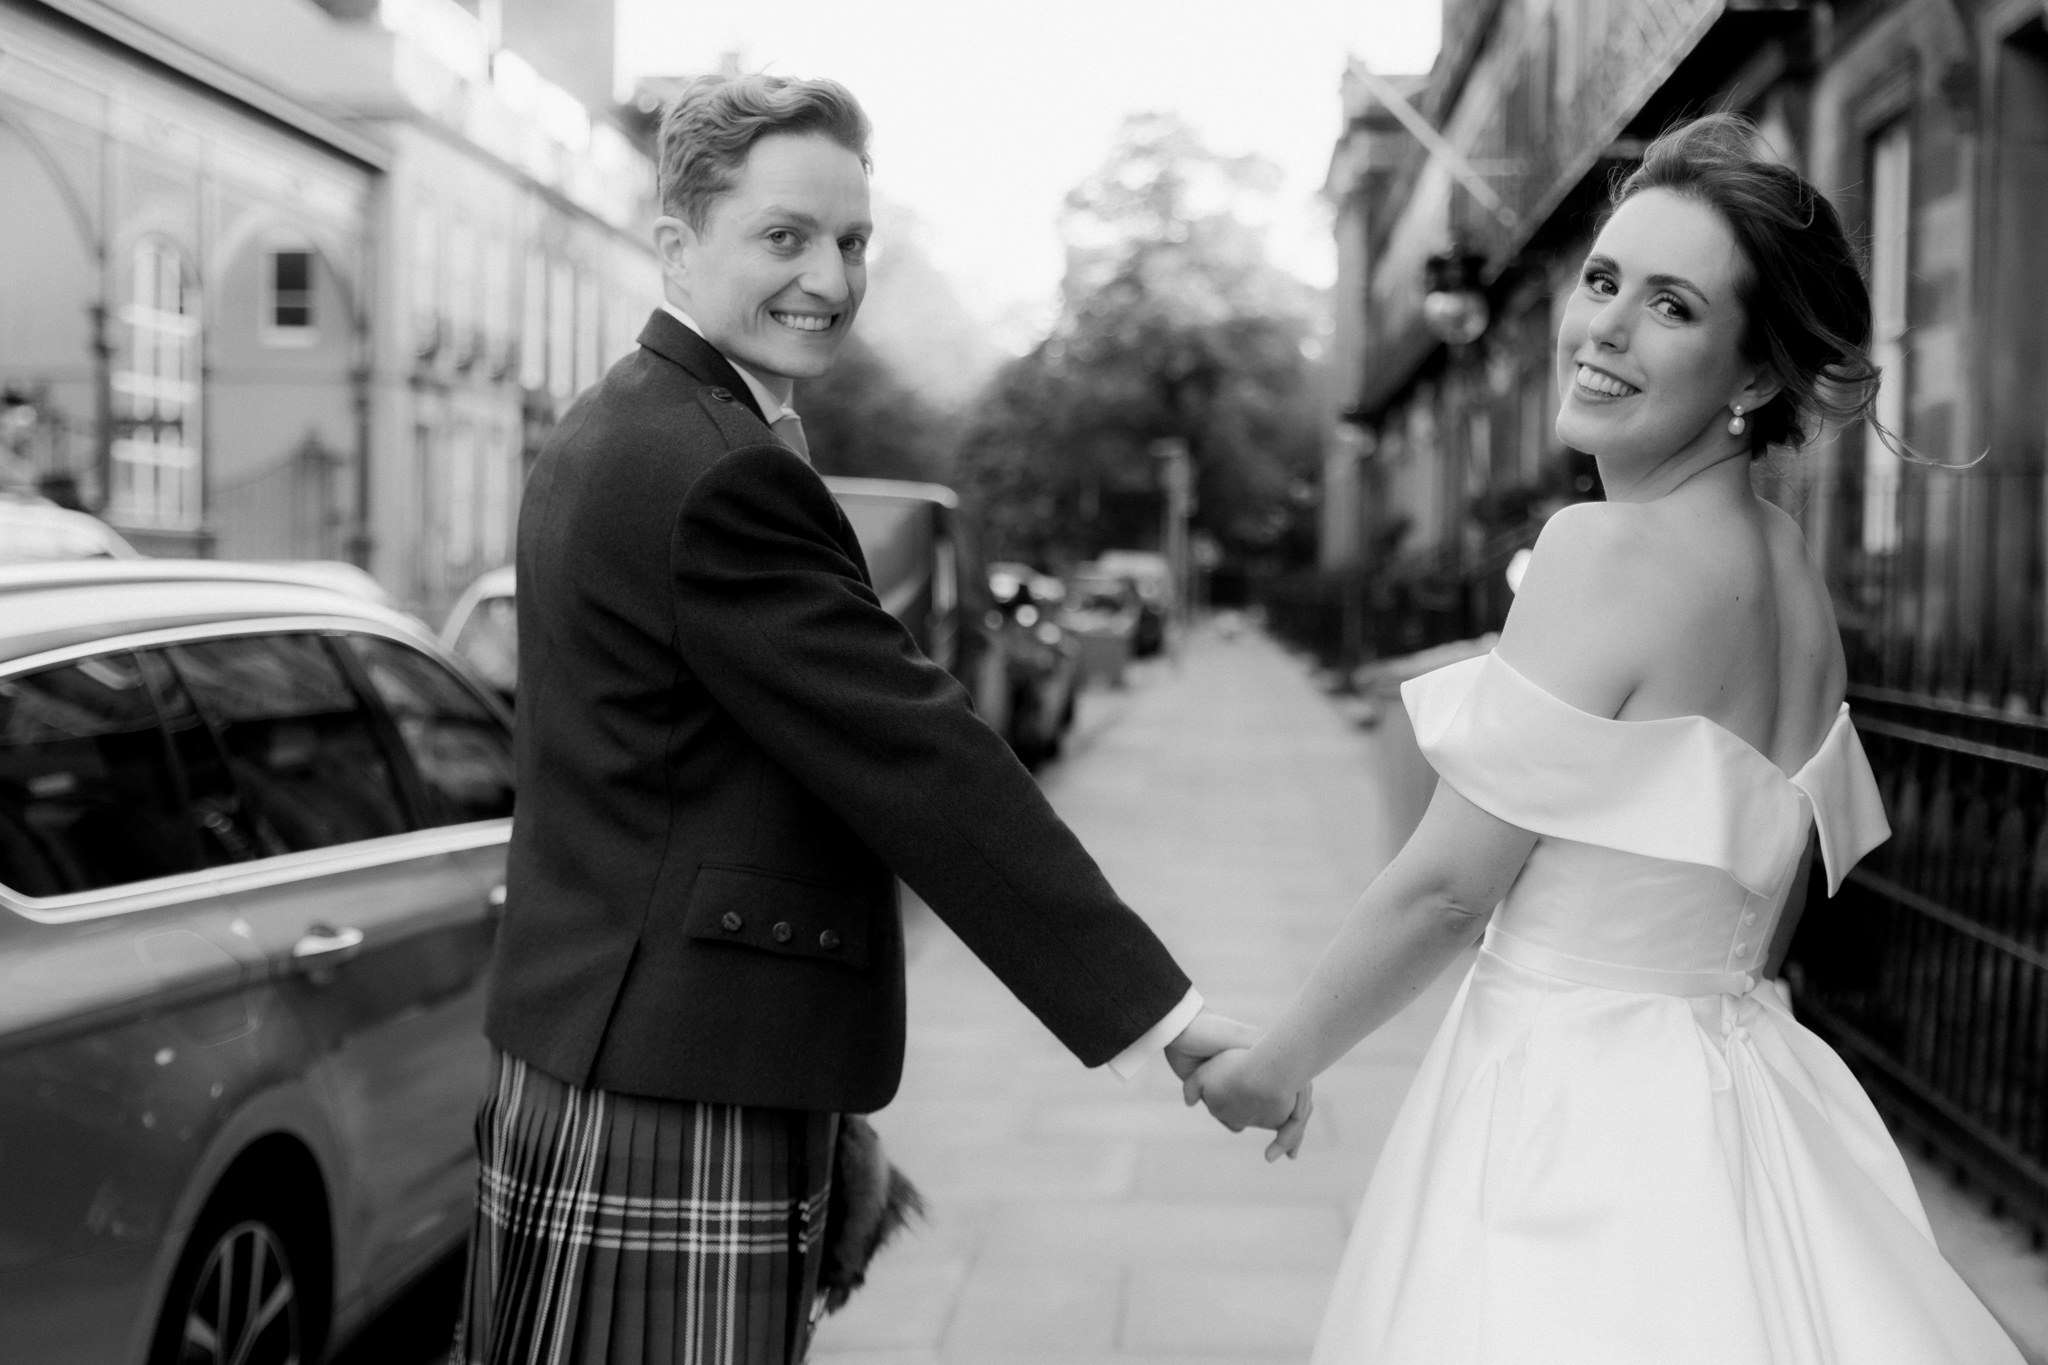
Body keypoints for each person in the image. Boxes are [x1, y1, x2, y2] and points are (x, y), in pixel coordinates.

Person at [455, 72, 1302, 1365]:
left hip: (609, 1040)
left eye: (852, 242)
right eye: (784, 237)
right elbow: (919, 753)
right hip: (679, 1067)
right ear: (677, 242)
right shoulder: (718, 464)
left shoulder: (619, 424)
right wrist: (1171, 1021)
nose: (831, 278)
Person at [1186, 113, 2026, 1364]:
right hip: (1747, 1094)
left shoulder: (1604, 551)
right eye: (1601, 279)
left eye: (1671, 306)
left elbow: (1445, 887)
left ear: (1750, 378)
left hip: (1568, 1111)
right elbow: (1776, 900)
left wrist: (1276, 1063)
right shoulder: (1794, 582)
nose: (1603, 330)